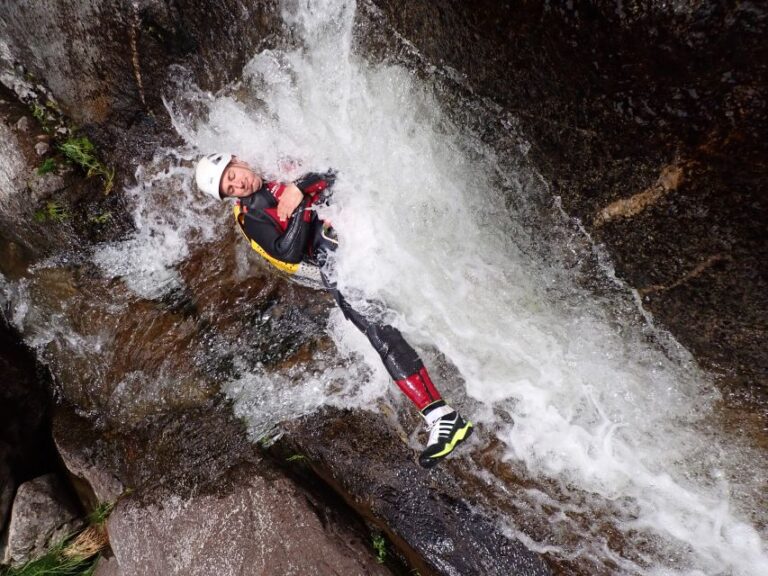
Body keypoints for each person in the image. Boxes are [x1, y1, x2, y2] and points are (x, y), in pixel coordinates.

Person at [195, 153, 473, 467]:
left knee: (377, 319)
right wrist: (300, 207)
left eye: (232, 175)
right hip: (332, 252)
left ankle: (443, 416)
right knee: (373, 327)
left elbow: (334, 166)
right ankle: (441, 417)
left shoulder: (270, 154)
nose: (238, 185)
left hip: (348, 221)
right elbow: (288, 251)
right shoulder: (250, 216)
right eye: (229, 188)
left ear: (236, 161)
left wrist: (299, 188)